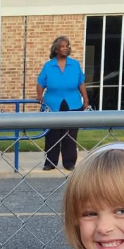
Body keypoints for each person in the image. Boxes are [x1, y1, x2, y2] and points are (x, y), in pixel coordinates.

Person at [36, 35, 89, 171]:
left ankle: (69, 162)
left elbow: (81, 82)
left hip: (73, 102)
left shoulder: (75, 64)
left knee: (70, 135)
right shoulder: (48, 66)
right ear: (56, 49)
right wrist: (39, 95)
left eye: (67, 46)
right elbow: (40, 83)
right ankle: (50, 162)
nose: (65, 48)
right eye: (62, 46)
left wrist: (86, 98)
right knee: (52, 134)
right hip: (52, 103)